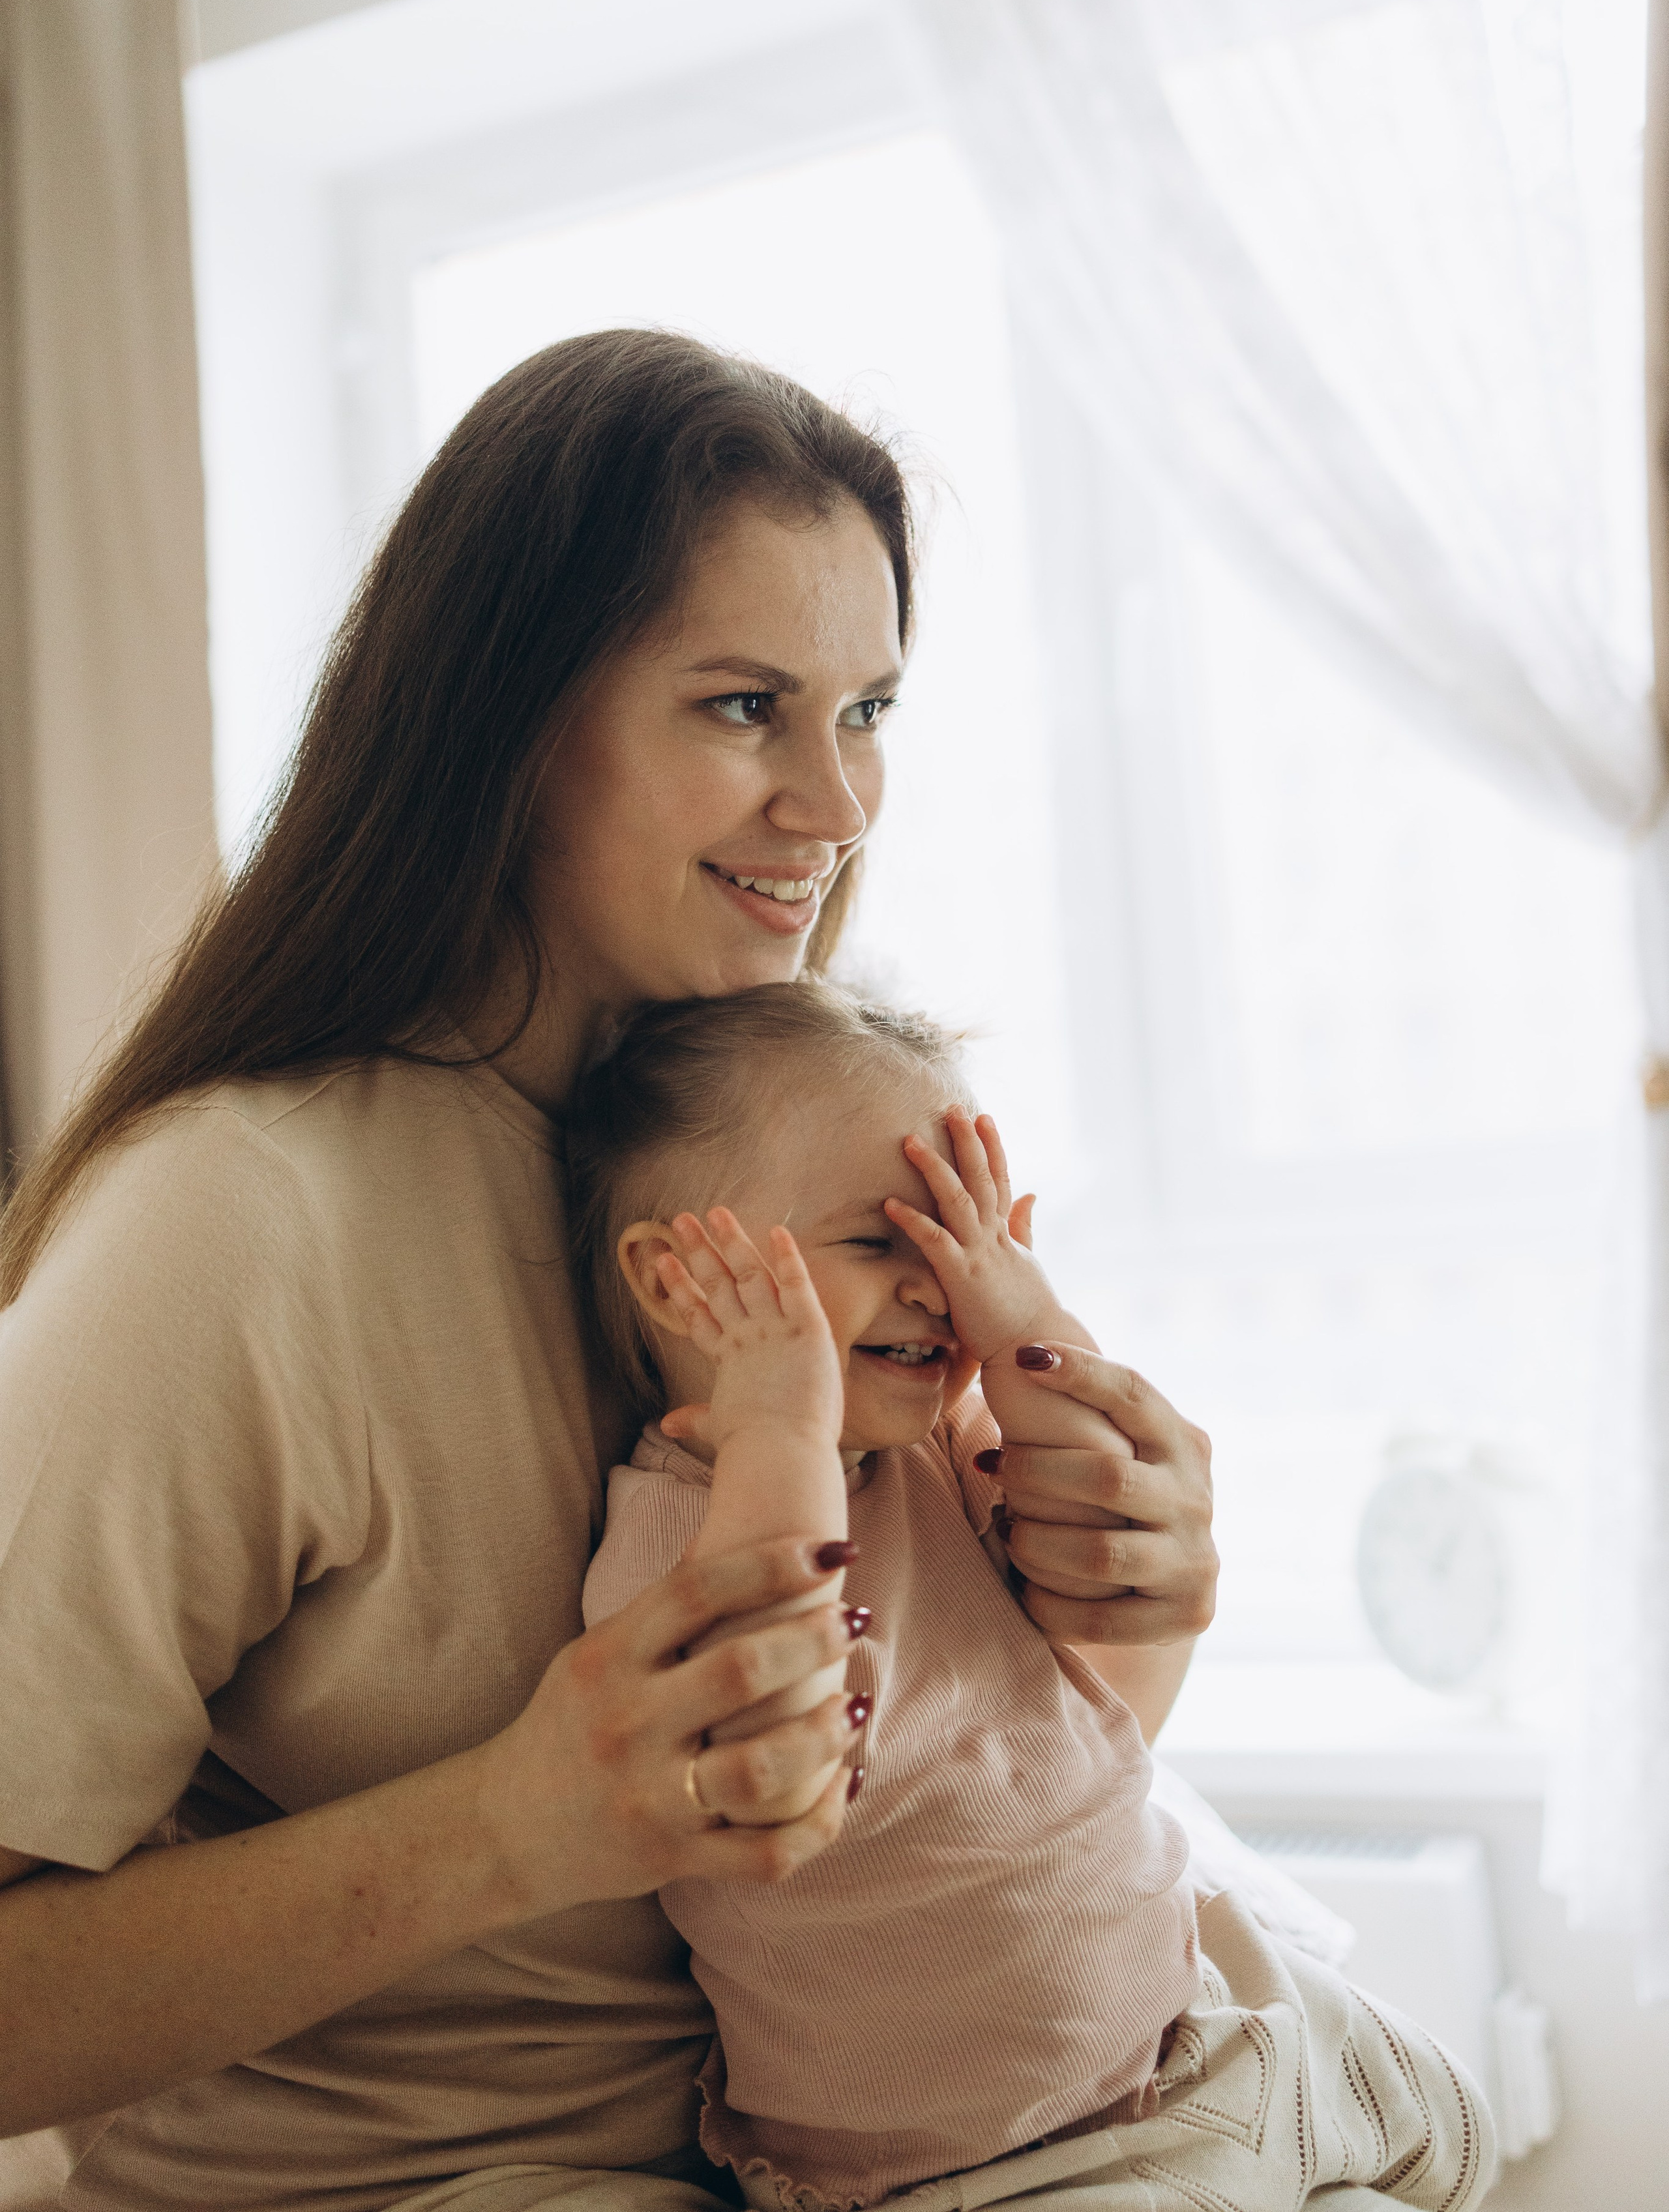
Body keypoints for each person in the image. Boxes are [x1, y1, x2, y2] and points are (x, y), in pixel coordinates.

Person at [0, 332, 1219, 2212]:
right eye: (743, 706)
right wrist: (515, 1823)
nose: (838, 804)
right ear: (506, 719)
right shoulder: (234, 1223)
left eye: (868, 711)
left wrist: (1131, 1601)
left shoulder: (794, 1151)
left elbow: (909, 1837)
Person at [572, 981, 1496, 2212]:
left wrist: (1024, 1314)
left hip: (1187, 2032)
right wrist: (778, 1423)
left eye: (957, 1235)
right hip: (982, 2165)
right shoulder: (666, 1544)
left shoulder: (931, 1449)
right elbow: (778, 1717)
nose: (933, 1285)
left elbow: (1093, 1487)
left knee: (1458, 2128)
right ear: (676, 1276)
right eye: (877, 1242)